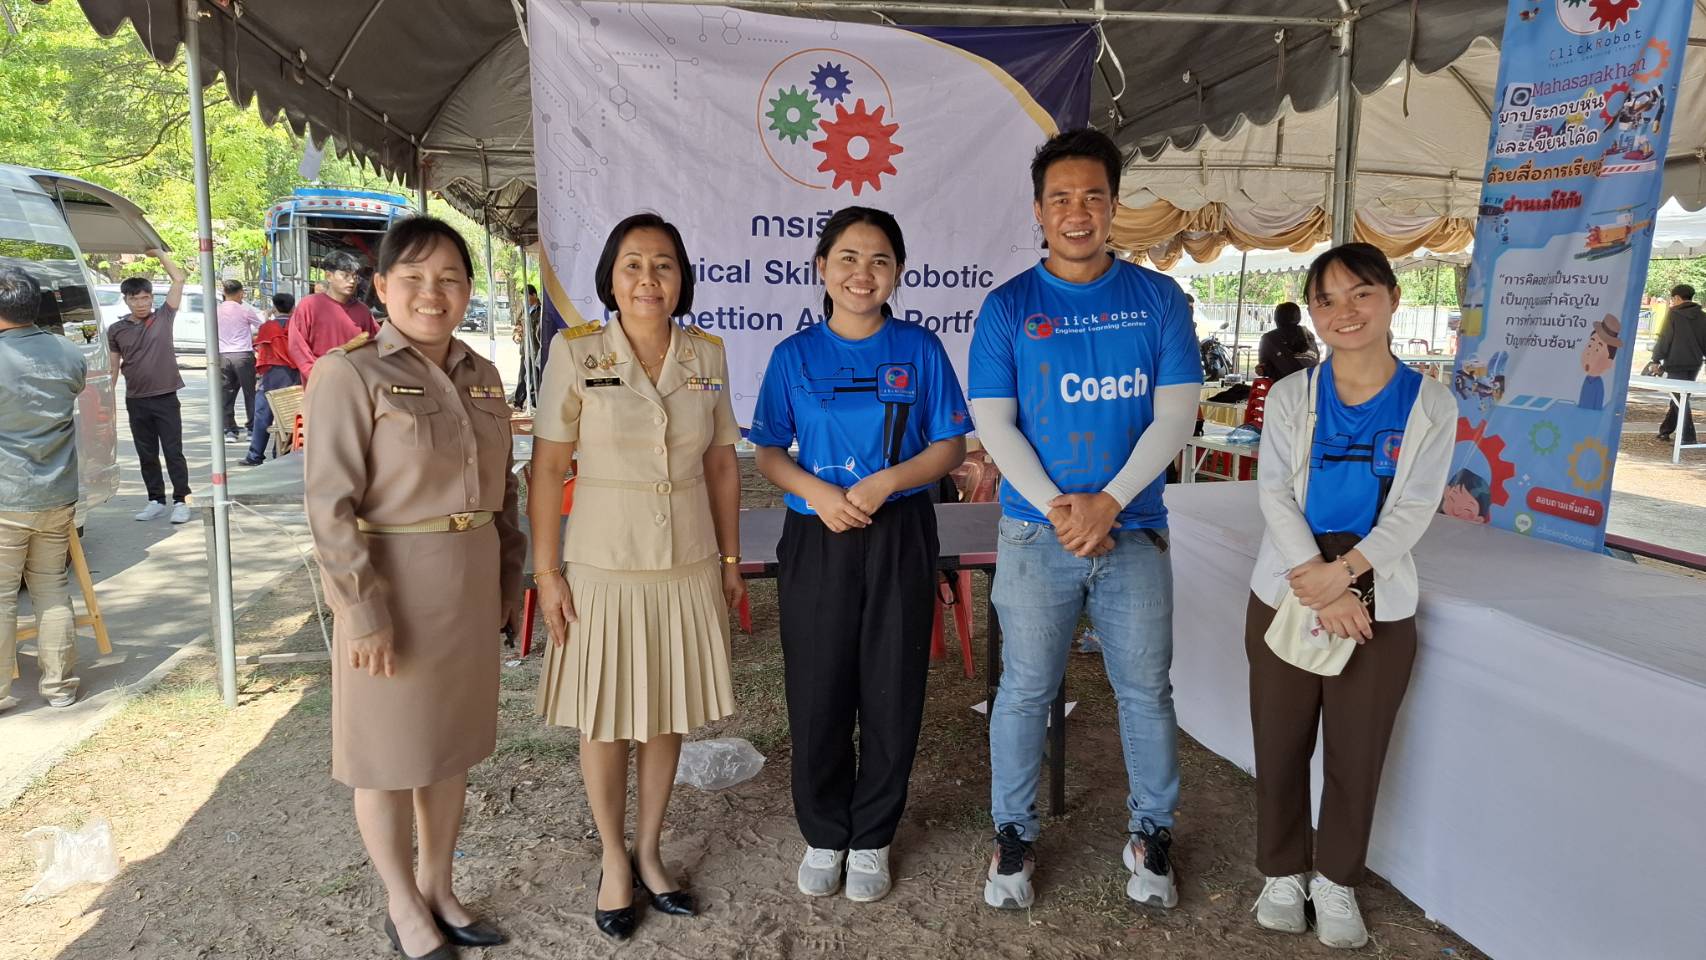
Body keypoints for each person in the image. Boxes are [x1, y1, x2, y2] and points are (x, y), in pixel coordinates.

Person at [966, 129, 1202, 912]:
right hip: (1037, 534)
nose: (1077, 212)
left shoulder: (1159, 299)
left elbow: (1175, 415)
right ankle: (1012, 834)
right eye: (1061, 198)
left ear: (1113, 205)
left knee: (1146, 692)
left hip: (1135, 528)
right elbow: (995, 423)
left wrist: (1110, 502)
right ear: (1039, 211)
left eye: (1093, 196)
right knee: (1023, 692)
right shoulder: (1008, 307)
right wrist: (1060, 508)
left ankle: (1151, 835)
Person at [304, 217, 525, 960]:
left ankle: (439, 886)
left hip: (469, 585)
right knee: (388, 755)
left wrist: (508, 579)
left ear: (467, 290)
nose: (434, 293)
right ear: (381, 287)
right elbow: (329, 506)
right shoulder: (349, 373)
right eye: (415, 279)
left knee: (448, 748)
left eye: (450, 279)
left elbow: (503, 492)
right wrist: (361, 611)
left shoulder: (481, 372)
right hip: (392, 588)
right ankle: (402, 903)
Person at [530, 213, 743, 941]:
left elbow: (721, 464)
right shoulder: (576, 351)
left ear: (682, 278)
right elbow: (548, 468)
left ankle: (650, 850)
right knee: (604, 714)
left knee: (665, 711)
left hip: (686, 559)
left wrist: (730, 561)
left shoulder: (706, 354)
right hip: (602, 562)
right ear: (611, 278)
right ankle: (612, 858)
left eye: (663, 265)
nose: (649, 278)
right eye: (633, 264)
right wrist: (547, 571)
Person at [751, 207, 972, 903]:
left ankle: (873, 834)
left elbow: (950, 446)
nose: (862, 273)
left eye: (879, 260)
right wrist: (817, 492)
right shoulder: (793, 356)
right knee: (818, 684)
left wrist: (889, 480)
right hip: (817, 534)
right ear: (822, 267)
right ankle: (824, 832)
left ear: (897, 272)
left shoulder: (920, 348)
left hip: (900, 529)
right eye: (847, 257)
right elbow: (768, 451)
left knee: (892, 682)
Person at [1245, 242, 1454, 949]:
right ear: (1313, 314)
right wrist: (1318, 577)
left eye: (1361, 293)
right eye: (1327, 300)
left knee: (1356, 754)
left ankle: (1336, 880)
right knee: (1280, 744)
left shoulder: (1431, 402)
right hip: (1289, 586)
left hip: (1377, 593)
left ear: (1393, 297)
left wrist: (1349, 573)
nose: (1346, 311)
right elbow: (1274, 491)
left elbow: (1416, 506)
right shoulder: (1292, 395)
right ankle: (1282, 873)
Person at [0, 268, 87, 711]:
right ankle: (59, 687)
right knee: (51, 587)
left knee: (2, 596)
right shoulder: (68, 352)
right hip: (57, 493)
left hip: (6, 496)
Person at [107, 248, 192, 524]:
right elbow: (113, 367)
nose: (141, 303)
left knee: (173, 452)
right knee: (146, 454)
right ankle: (155, 499)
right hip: (136, 399)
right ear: (126, 300)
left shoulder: (163, 317)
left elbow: (178, 279)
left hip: (165, 397)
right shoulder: (116, 330)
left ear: (151, 298)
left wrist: (160, 255)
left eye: (145, 298)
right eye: (135, 299)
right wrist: (106, 401)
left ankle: (182, 500)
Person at [288, 250, 378, 385]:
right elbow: (297, 347)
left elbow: (376, 343)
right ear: (329, 276)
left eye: (355, 277)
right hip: (319, 384)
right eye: (345, 276)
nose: (352, 281)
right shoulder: (309, 306)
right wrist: (316, 375)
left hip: (355, 385)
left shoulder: (363, 311)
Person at [240, 292, 302, 466]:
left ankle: (255, 455)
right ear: (293, 308)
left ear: (274, 307)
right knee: (290, 416)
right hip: (295, 374)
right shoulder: (298, 326)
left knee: (263, 415)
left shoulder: (267, 327)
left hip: (272, 374)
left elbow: (262, 351)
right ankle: (282, 452)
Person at [1651, 283, 1705, 443]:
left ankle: (1688, 437)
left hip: (1676, 363)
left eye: (1672, 298)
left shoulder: (1673, 314)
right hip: (1695, 363)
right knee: (1680, 396)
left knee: (1680, 399)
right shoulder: (1703, 316)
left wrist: (1656, 359)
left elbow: (1665, 338)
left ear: (1677, 298)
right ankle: (1666, 430)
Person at [216, 279, 264, 441]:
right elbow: (261, 327)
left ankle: (230, 430)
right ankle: (252, 429)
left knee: (226, 393)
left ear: (224, 293)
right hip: (243, 355)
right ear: (240, 293)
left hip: (223, 356)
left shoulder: (216, 311)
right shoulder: (245, 310)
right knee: (250, 393)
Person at [1257, 302, 1319, 380]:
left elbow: (1263, 368)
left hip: (1285, 384)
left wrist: (1262, 370)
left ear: (1276, 318)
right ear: (1298, 317)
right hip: (1313, 383)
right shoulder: (1309, 335)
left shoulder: (1269, 338)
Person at [1576, 314, 1620, 411]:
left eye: (1597, 350)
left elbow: (1597, 408)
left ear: (1609, 362)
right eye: (1590, 346)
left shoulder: (1598, 385)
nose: (1589, 353)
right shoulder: (1586, 380)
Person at [509, 285, 542, 409]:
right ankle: (518, 402)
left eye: (527, 296)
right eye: (523, 296)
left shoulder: (541, 311)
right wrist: (516, 335)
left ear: (534, 295)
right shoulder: (523, 310)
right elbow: (518, 325)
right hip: (525, 348)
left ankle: (535, 402)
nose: (525, 299)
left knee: (535, 376)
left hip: (537, 349)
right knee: (522, 375)